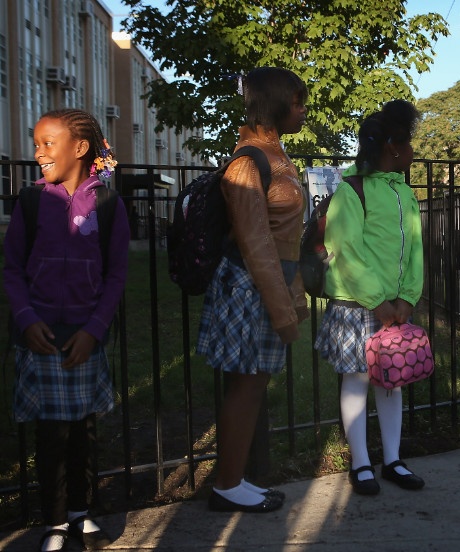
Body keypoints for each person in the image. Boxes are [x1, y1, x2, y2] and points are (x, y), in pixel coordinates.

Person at [3, 109, 129, 552]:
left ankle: (81, 512)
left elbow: (116, 275)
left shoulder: (108, 204)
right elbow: (12, 269)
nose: (38, 153)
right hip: (40, 335)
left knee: (82, 429)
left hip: (83, 336)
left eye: (47, 143)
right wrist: (26, 319)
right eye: (35, 143)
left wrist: (95, 329)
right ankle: (55, 521)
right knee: (50, 433)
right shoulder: (32, 201)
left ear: (79, 148)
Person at [196, 67, 309, 513]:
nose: (303, 110)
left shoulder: (273, 153)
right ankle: (226, 485)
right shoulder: (248, 161)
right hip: (249, 285)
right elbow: (256, 241)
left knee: (253, 385)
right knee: (246, 386)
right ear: (277, 103)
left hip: (265, 283)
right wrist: (283, 310)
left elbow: (283, 237)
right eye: (298, 101)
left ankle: (235, 479)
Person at [314, 100, 426, 495]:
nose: (414, 150)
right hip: (360, 305)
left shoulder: (405, 193)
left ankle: (392, 459)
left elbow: (415, 250)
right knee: (358, 380)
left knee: (391, 382)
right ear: (394, 148)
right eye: (410, 143)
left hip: (396, 307)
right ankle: (361, 463)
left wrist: (407, 298)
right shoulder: (352, 190)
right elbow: (346, 250)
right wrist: (379, 301)